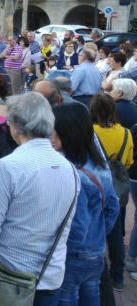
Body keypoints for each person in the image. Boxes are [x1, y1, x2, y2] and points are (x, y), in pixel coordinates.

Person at [0, 92, 80, 305]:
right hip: (51, 273)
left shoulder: (8, 167)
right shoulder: (70, 169)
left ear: (14, 125)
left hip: (11, 277)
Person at [50, 102, 119, 305]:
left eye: (54, 132)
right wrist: (98, 234)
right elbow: (112, 208)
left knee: (67, 299)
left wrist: (64, 247)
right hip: (96, 253)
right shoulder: (98, 165)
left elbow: (77, 228)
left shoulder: (75, 176)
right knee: (92, 296)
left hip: (74, 256)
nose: (50, 137)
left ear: (68, 133)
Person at [90, 92, 134, 291]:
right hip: (118, 188)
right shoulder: (126, 132)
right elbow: (128, 162)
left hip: (95, 186)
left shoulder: (90, 132)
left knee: (93, 230)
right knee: (116, 233)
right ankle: (118, 277)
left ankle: (99, 273)